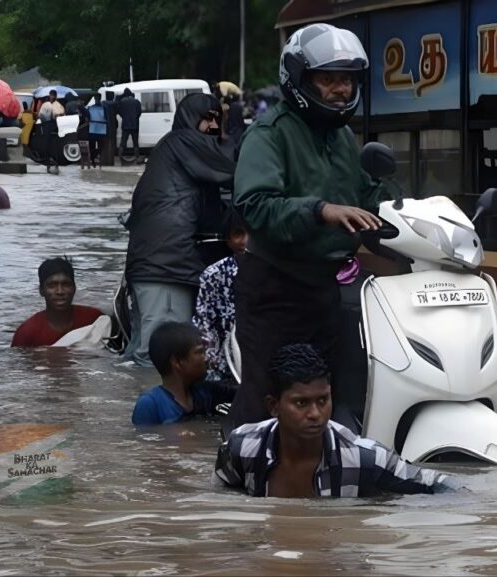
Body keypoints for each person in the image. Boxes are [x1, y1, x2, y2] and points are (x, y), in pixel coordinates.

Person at [228, 23, 389, 431]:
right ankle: (239, 480)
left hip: (329, 290)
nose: (341, 90)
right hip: (275, 289)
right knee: (265, 403)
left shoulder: (344, 139)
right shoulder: (269, 135)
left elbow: (368, 196)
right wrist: (320, 211)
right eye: (328, 79)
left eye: (348, 81)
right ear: (299, 79)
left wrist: (412, 208)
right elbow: (255, 206)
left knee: (332, 397)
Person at [215, 344, 451, 498]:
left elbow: (446, 490)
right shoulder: (242, 447)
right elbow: (218, 501)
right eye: (301, 403)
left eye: (323, 400)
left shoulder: (364, 459)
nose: (316, 413)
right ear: (274, 406)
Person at [121, 92, 234, 367]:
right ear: (189, 118)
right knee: (163, 359)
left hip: (158, 266)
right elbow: (233, 164)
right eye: (207, 119)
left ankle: (130, 405)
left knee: (143, 355)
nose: (213, 127)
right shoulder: (183, 143)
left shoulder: (175, 149)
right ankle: (158, 410)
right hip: (166, 268)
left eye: (217, 120)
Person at [131, 322, 235, 426]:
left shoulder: (207, 393)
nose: (207, 358)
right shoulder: (149, 405)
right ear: (177, 362)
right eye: (199, 352)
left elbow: (244, 392)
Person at [192, 210, 247, 384]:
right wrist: (212, 367)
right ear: (228, 239)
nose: (245, 241)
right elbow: (204, 324)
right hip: (225, 367)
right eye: (238, 234)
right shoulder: (214, 275)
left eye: (252, 234)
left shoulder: (276, 273)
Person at [11, 258, 104, 347]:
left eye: (66, 284)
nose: (60, 291)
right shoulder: (26, 334)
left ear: (74, 288)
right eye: (52, 285)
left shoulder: (95, 319)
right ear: (41, 290)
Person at [117, 88, 142, 162]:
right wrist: (135, 118)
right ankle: (137, 157)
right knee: (135, 143)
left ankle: (120, 157)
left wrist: (124, 117)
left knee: (123, 142)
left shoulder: (122, 102)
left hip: (125, 125)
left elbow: (119, 111)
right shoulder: (137, 102)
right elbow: (139, 113)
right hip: (135, 125)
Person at [86, 95, 106, 168]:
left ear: (94, 99)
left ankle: (93, 159)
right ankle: (97, 159)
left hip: (93, 129)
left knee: (92, 147)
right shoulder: (104, 108)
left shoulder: (90, 108)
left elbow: (87, 118)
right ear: (100, 99)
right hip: (101, 130)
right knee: (100, 147)